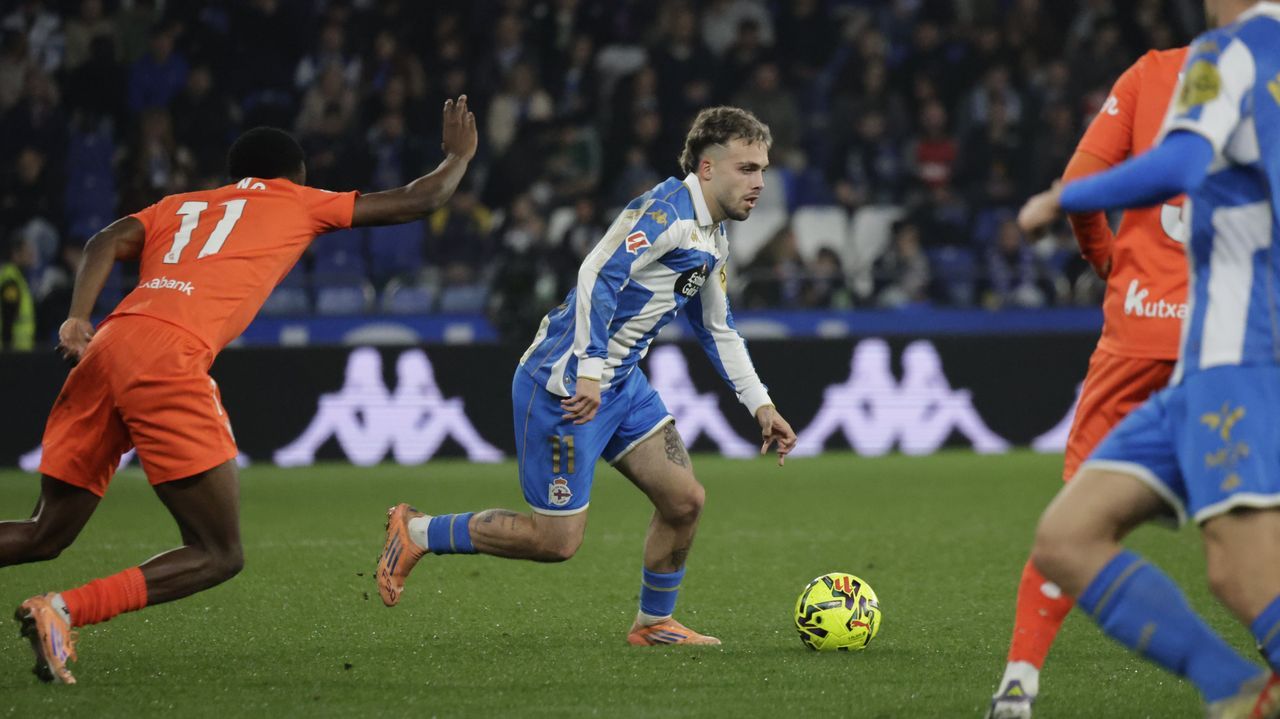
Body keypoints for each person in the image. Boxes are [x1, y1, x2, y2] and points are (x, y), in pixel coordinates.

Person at [1, 96, 478, 684]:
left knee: (43, 532)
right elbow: (420, 199)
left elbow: (103, 240)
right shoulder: (297, 200)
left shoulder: (180, 205)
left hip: (107, 346)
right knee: (217, 552)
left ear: (236, 176)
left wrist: (77, 318)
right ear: (296, 174)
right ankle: (63, 610)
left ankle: (60, 609)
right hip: (168, 356)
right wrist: (457, 158)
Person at [376, 106, 798, 646]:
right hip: (566, 386)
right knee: (556, 542)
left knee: (685, 501)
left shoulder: (711, 235)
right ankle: (416, 531)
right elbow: (597, 270)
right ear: (707, 168)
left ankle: (653, 624)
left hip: (621, 386)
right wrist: (590, 371)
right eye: (747, 168)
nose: (759, 182)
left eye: (762, 168)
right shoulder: (665, 212)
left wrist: (761, 405)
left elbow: (718, 327)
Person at [1017, 3, 1280, 716]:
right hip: (1207, 364)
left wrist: (1067, 196)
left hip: (1242, 356)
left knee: (1242, 572)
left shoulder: (1229, 53)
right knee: (1067, 535)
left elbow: (1180, 162)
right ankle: (1238, 689)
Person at [987, 42, 1190, 719]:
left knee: (1072, 521)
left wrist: (1111, 266)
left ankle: (1019, 682)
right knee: (1251, 520)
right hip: (1230, 338)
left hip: (1138, 328)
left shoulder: (1153, 72)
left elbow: (1078, 188)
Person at [0, 235, 36, 350]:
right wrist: (7, 352)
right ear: (16, 254)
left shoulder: (18, 277)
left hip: (20, 350)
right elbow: (8, 317)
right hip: (12, 350)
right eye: (27, 250)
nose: (31, 254)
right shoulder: (11, 280)